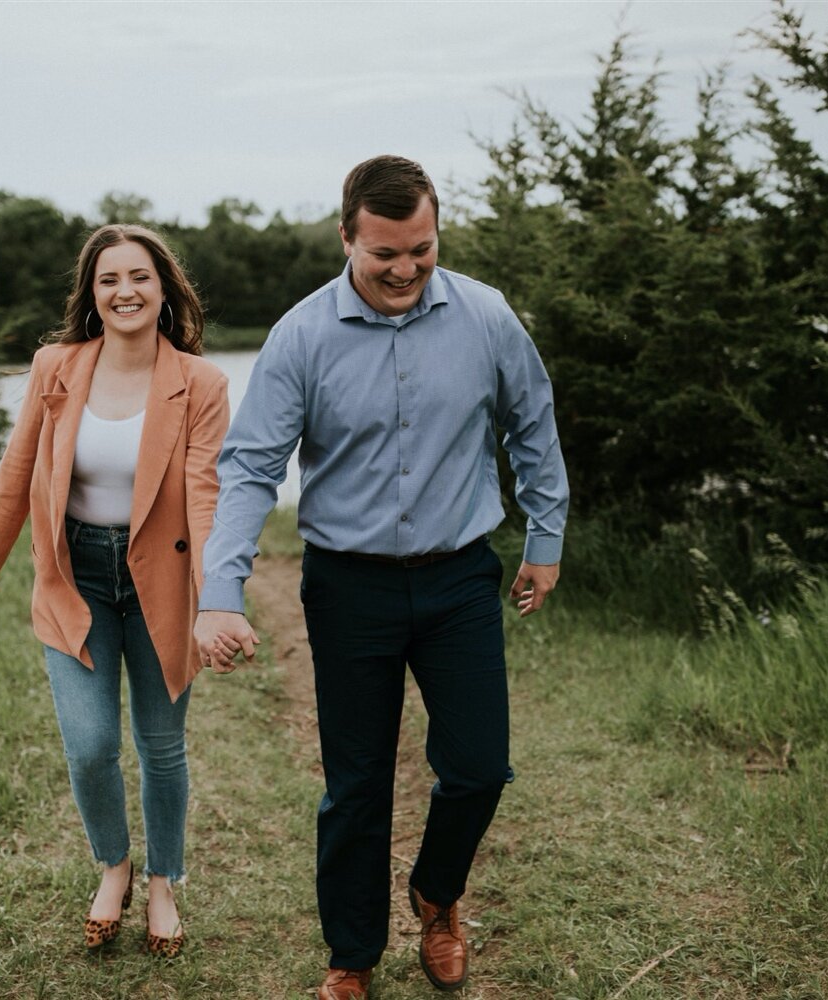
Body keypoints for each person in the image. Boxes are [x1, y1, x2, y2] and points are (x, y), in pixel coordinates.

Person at [194, 155, 569, 999]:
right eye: (384, 255)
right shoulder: (300, 335)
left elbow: (533, 427)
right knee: (356, 783)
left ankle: (438, 897)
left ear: (437, 235)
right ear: (346, 239)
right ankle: (351, 958)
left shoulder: (487, 317)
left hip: (459, 581)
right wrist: (221, 591)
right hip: (348, 587)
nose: (404, 270)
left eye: (422, 251)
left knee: (479, 767)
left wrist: (545, 538)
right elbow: (252, 467)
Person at [0, 224, 230, 956]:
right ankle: (115, 865)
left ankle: (163, 881)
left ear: (164, 288)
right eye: (109, 280)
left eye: (139, 277)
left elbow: (205, 497)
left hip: (162, 581)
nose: (125, 291)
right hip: (76, 577)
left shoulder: (201, 383)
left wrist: (218, 601)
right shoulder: (57, 367)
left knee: (161, 746)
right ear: (91, 294)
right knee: (90, 745)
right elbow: (15, 478)